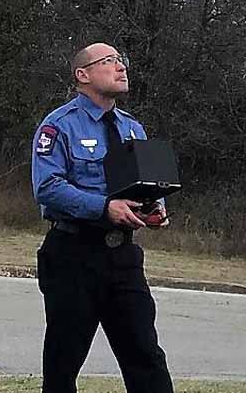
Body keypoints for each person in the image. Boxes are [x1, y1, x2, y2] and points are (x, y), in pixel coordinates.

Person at [32, 42, 173, 393]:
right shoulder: (58, 126)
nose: (121, 67)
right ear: (83, 75)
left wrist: (154, 208)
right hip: (73, 254)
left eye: (121, 61)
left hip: (122, 257)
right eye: (109, 62)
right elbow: (47, 188)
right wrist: (103, 208)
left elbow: (144, 186)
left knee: (146, 355)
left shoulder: (132, 129)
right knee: (63, 362)